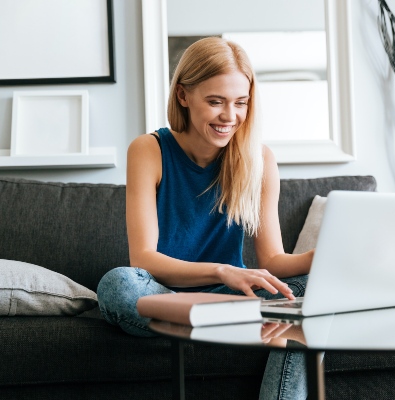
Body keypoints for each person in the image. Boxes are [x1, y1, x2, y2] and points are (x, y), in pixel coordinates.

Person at [97, 36, 314, 400]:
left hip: (230, 296)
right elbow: (144, 260)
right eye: (215, 102)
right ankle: (235, 320)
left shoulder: (259, 159)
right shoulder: (149, 150)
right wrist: (220, 270)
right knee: (117, 285)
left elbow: (273, 261)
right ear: (183, 95)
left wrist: (324, 258)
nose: (230, 117)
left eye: (240, 103)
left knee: (310, 290)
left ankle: (230, 322)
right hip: (165, 295)